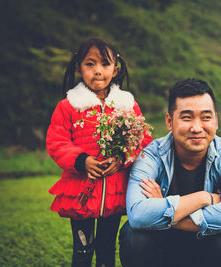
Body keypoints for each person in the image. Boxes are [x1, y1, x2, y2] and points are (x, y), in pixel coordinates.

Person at [118, 78, 221, 267]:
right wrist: (204, 198)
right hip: (161, 246)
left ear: (216, 121)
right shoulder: (150, 155)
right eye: (187, 117)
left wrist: (162, 208)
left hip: (204, 244)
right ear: (169, 121)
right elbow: (138, 215)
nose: (197, 128)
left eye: (206, 117)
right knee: (133, 234)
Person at [46, 37, 152, 267]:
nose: (97, 71)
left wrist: (123, 158)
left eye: (105, 64)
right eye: (89, 64)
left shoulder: (126, 104)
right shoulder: (68, 106)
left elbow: (142, 138)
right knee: (82, 250)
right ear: (78, 68)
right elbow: (57, 141)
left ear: (115, 68)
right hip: (81, 189)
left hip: (113, 190)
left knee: (106, 249)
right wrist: (82, 160)